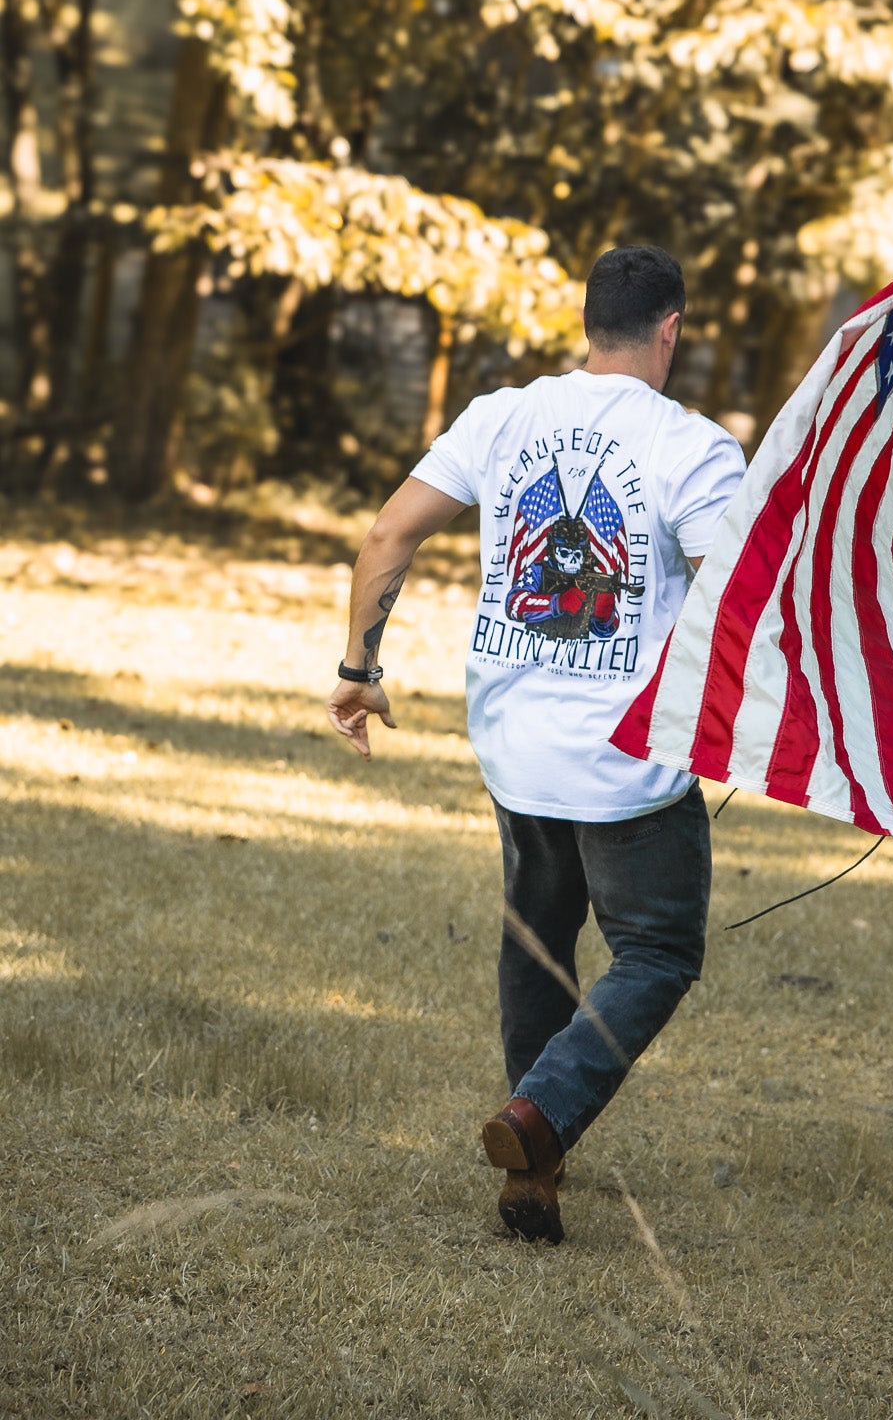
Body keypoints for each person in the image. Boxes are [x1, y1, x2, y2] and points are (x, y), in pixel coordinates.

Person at [325, 246, 746, 1243]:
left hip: (514, 748)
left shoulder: (501, 414)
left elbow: (390, 534)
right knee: (657, 947)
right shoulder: (691, 446)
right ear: (671, 329)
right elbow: (733, 591)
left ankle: (534, 1174)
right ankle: (539, 1114)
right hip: (626, 763)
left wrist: (357, 666)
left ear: (587, 321)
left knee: (537, 940)